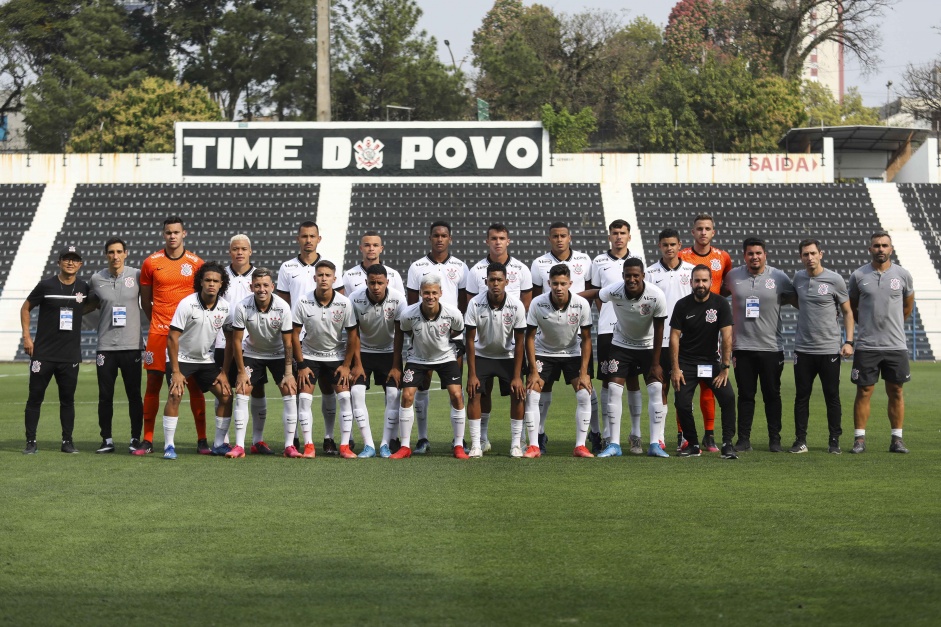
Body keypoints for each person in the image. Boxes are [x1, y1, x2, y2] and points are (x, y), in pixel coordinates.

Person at [135, 217, 208, 456]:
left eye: (176, 232)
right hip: (158, 333)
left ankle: (202, 440)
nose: (172, 236)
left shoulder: (197, 263)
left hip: (188, 336)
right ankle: (147, 440)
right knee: (153, 384)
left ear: (184, 233)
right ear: (163, 234)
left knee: (195, 386)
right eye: (168, 232)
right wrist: (158, 321)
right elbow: (145, 300)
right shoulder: (151, 262)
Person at [583, 258, 668, 458]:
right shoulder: (615, 290)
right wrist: (570, 299)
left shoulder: (656, 296)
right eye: (628, 275)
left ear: (643, 276)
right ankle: (614, 444)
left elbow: (659, 329)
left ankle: (655, 444)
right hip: (621, 345)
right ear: (623, 276)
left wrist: (656, 363)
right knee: (613, 388)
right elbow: (595, 293)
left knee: (656, 388)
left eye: (635, 275)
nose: (631, 279)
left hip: (648, 347)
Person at [276, 221, 345, 453]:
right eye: (304, 236)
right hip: (299, 340)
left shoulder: (330, 268)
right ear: (298, 239)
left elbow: (340, 303)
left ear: (319, 239)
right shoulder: (287, 267)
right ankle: (296, 437)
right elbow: (284, 304)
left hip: (327, 340)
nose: (308, 240)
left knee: (328, 388)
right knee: (300, 389)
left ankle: (328, 437)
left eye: (312, 236)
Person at [529, 222, 598, 453]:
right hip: (544, 350)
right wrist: (533, 370)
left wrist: (585, 372)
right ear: (549, 283)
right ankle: (534, 442)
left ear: (570, 284)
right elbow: (529, 336)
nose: (559, 288)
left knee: (585, 392)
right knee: (535, 392)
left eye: (563, 284)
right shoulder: (538, 300)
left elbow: (587, 338)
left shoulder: (581, 303)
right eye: (555, 284)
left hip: (572, 350)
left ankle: (581, 445)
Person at [721, 237, 795, 452]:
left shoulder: (779, 277)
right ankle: (744, 439)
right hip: (742, 347)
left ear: (765, 255)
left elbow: (798, 300)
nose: (755, 257)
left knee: (772, 394)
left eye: (758, 253)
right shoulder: (733, 276)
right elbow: (719, 295)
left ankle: (775, 439)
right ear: (744, 255)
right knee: (745, 395)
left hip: (772, 347)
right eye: (750, 253)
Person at [465, 223, 533, 451]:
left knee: (518, 393)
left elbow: (521, 340)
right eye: (491, 280)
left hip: (508, 354)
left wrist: (517, 375)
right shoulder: (475, 303)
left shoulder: (515, 306)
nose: (495, 284)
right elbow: (470, 339)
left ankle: (516, 443)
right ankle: (478, 442)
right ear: (485, 281)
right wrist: (472, 374)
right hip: (483, 355)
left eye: (499, 280)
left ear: (507, 281)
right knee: (476, 393)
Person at [405, 221, 469, 454]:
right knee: (421, 386)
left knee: (455, 389)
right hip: (424, 332)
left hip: (451, 334)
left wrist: (456, 330)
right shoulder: (417, 267)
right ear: (430, 238)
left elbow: (464, 300)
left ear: (450, 239)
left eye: (444, 236)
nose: (440, 239)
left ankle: (457, 440)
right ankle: (422, 438)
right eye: (436, 235)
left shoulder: (461, 267)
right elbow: (413, 301)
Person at [848, 232, 915, 454]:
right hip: (867, 345)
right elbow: (853, 308)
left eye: (884, 245)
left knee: (896, 391)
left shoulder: (903, 275)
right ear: (870, 249)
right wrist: (868, 326)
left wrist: (892, 325)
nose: (880, 249)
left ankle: (897, 439)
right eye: (876, 246)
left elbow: (907, 307)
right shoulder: (858, 275)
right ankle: (859, 439)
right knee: (864, 391)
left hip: (896, 345)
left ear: (891, 249)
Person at [388, 273, 467, 459]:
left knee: (456, 395)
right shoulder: (408, 314)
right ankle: (405, 446)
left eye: (433, 292)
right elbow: (404, 332)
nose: (430, 296)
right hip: (417, 359)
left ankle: (458, 445)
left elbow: (458, 330)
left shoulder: (453, 313)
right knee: (407, 396)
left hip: (446, 357)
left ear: (440, 293)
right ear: (420, 294)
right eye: (426, 293)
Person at [21, 246, 90, 454]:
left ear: (80, 264)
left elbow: (91, 306)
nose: (70, 263)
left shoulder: (84, 288)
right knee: (35, 398)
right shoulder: (46, 285)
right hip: (43, 354)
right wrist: (27, 336)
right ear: (59, 262)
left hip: (69, 356)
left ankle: (67, 442)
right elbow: (25, 308)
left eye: (74, 259)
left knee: (67, 400)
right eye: (66, 259)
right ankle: (31, 442)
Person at [224, 268, 298, 458]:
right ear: (251, 287)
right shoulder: (242, 307)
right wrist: (241, 371)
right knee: (242, 389)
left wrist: (289, 373)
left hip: (278, 354)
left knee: (289, 390)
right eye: (257, 285)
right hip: (253, 353)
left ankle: (290, 446)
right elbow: (237, 341)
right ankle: (241, 445)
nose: (261, 289)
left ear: (272, 286)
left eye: (266, 285)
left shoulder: (283, 307)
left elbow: (288, 342)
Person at [790, 239, 855, 454]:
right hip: (803, 349)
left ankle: (834, 440)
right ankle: (800, 441)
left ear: (821, 254)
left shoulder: (835, 279)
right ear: (801, 257)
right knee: (802, 396)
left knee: (831, 395)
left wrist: (848, 341)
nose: (809, 258)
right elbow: (797, 301)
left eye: (812, 253)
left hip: (829, 350)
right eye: (805, 254)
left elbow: (847, 312)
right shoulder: (798, 278)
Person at [163, 261, 233, 460]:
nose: (211, 284)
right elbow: (172, 337)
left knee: (226, 395)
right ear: (201, 282)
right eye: (208, 280)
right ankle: (169, 445)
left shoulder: (226, 308)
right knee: (175, 394)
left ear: (221, 284)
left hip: (204, 359)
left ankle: (219, 444)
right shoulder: (187, 303)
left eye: (216, 281)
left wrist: (224, 372)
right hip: (180, 358)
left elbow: (230, 340)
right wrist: (176, 371)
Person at [291, 260, 360, 459]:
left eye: (327, 275)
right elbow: (294, 334)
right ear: (314, 278)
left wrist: (347, 365)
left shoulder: (344, 302)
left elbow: (353, 335)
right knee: (304, 400)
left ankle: (345, 446)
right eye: (320, 275)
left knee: (345, 398)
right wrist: (302, 364)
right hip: (310, 356)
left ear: (334, 279)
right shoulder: (303, 301)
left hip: (336, 357)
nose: (323, 278)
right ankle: (309, 446)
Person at [669, 265, 738, 459]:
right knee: (682, 403)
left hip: (711, 363)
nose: (700, 284)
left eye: (704, 280)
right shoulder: (682, 305)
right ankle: (693, 444)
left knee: (728, 398)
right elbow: (674, 336)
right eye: (697, 280)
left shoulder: (721, 304)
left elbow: (727, 336)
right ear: (691, 282)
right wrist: (675, 369)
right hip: (687, 363)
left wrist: (724, 368)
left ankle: (727, 444)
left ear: (711, 282)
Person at [677, 213, 733, 452]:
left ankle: (710, 436)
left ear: (713, 232)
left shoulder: (723, 257)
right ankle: (684, 437)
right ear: (693, 232)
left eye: (707, 228)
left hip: (711, 328)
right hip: (687, 323)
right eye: (699, 228)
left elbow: (727, 286)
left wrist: (716, 308)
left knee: (709, 389)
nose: (703, 232)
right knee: (682, 391)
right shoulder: (682, 256)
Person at [212, 234, 271, 455]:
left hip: (252, 343)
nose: (239, 252)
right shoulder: (221, 277)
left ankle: (257, 440)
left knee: (256, 388)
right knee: (223, 390)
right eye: (235, 249)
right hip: (221, 341)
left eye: (243, 249)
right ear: (230, 251)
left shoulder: (257, 278)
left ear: (250, 251)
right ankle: (223, 439)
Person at [589, 219, 644, 455]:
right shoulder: (598, 262)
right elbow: (595, 294)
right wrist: (607, 315)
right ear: (609, 236)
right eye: (615, 233)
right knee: (607, 380)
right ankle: (609, 435)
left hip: (633, 330)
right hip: (607, 329)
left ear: (629, 236)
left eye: (623, 233)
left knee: (632, 379)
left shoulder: (638, 261)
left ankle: (635, 435)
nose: (619, 236)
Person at [86, 237, 144, 454]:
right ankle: (107, 440)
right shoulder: (96, 279)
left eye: (119, 251)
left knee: (134, 395)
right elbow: (87, 304)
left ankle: (135, 438)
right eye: (111, 252)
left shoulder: (137, 275)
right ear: (106, 255)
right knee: (105, 396)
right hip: (106, 347)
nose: (115, 256)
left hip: (131, 346)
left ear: (126, 253)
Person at [645, 228, 695, 456]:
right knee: (660, 388)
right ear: (659, 246)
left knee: (684, 391)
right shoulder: (650, 273)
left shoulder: (691, 271)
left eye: (673, 244)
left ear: (679, 245)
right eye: (665, 245)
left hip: (686, 342)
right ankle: (659, 438)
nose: (669, 248)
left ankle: (687, 437)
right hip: (659, 341)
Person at [349, 264, 407, 458]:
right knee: (356, 392)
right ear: (366, 282)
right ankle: (368, 446)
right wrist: (357, 364)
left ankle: (385, 444)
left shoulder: (398, 299)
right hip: (363, 352)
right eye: (372, 282)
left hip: (389, 352)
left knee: (392, 394)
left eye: (379, 283)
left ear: (387, 282)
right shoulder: (355, 298)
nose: (375, 287)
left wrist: (396, 365)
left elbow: (399, 333)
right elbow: (353, 333)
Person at [342, 231, 406, 295]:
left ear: (381, 249)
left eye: (375, 245)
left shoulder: (394, 275)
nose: (371, 249)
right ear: (361, 248)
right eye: (367, 245)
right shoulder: (348, 275)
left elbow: (401, 302)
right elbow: (345, 303)